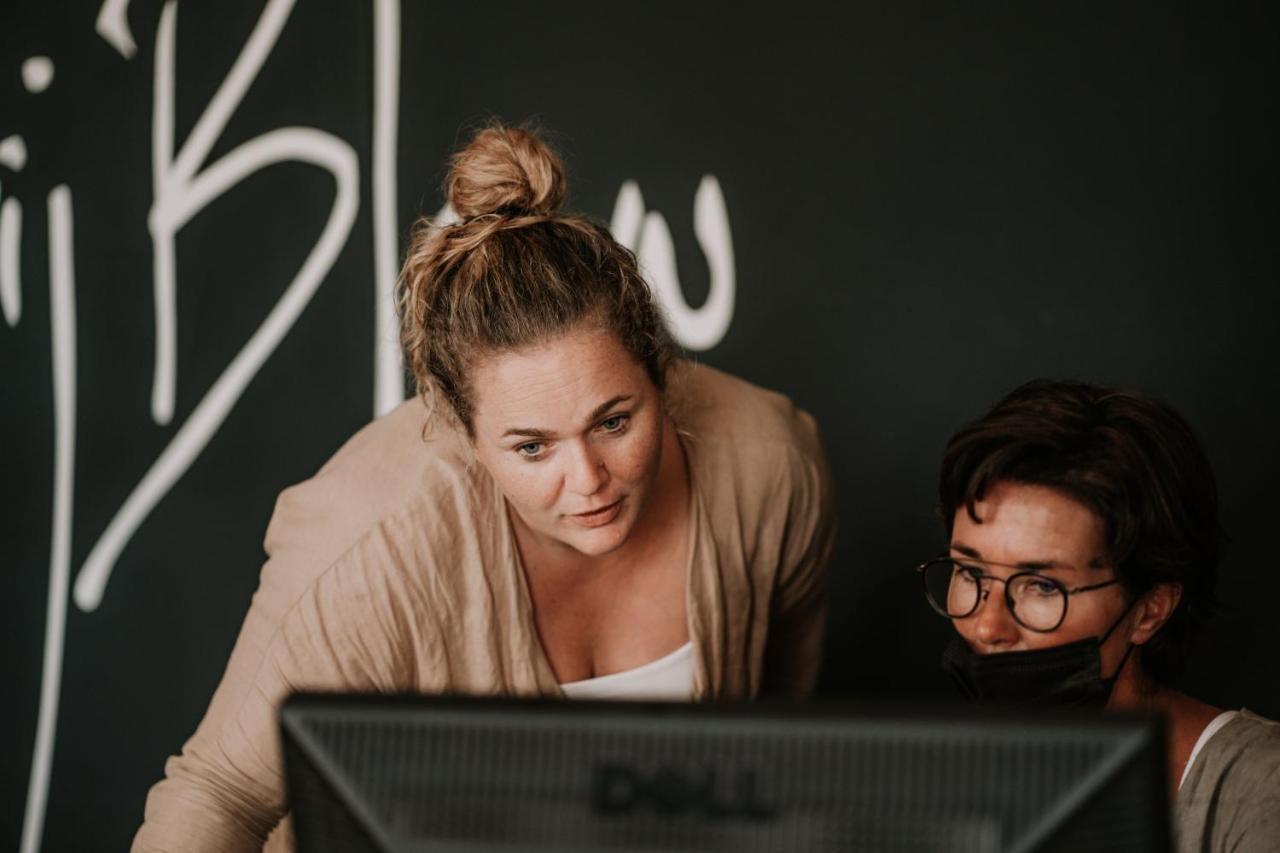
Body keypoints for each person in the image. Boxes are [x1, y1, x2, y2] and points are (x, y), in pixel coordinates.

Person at [130, 124, 835, 852]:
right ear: (463, 433)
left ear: (662, 375)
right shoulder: (365, 548)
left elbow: (779, 737)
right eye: (532, 447)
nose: (588, 479)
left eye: (615, 420)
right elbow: (218, 793)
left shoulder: (771, 469)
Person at [918, 379, 1280, 852]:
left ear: (1150, 610)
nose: (987, 625)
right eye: (970, 572)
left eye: (1042, 586)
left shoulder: (1258, 793)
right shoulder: (936, 786)